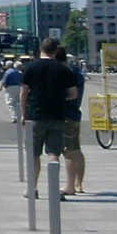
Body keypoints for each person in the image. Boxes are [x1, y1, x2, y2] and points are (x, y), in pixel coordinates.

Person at [20, 38, 78, 199]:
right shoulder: (63, 69)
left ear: (41, 49)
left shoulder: (31, 66)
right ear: (55, 51)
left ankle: (32, 188)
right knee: (54, 153)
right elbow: (73, 94)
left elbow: (23, 92)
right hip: (57, 115)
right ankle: (54, 189)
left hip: (36, 115)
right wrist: (59, 98)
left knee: (33, 153)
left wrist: (24, 113)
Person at [56, 46, 86, 197]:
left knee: (69, 150)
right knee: (76, 149)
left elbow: (69, 94)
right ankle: (78, 184)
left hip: (67, 114)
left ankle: (71, 186)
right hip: (74, 113)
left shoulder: (66, 73)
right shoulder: (75, 72)